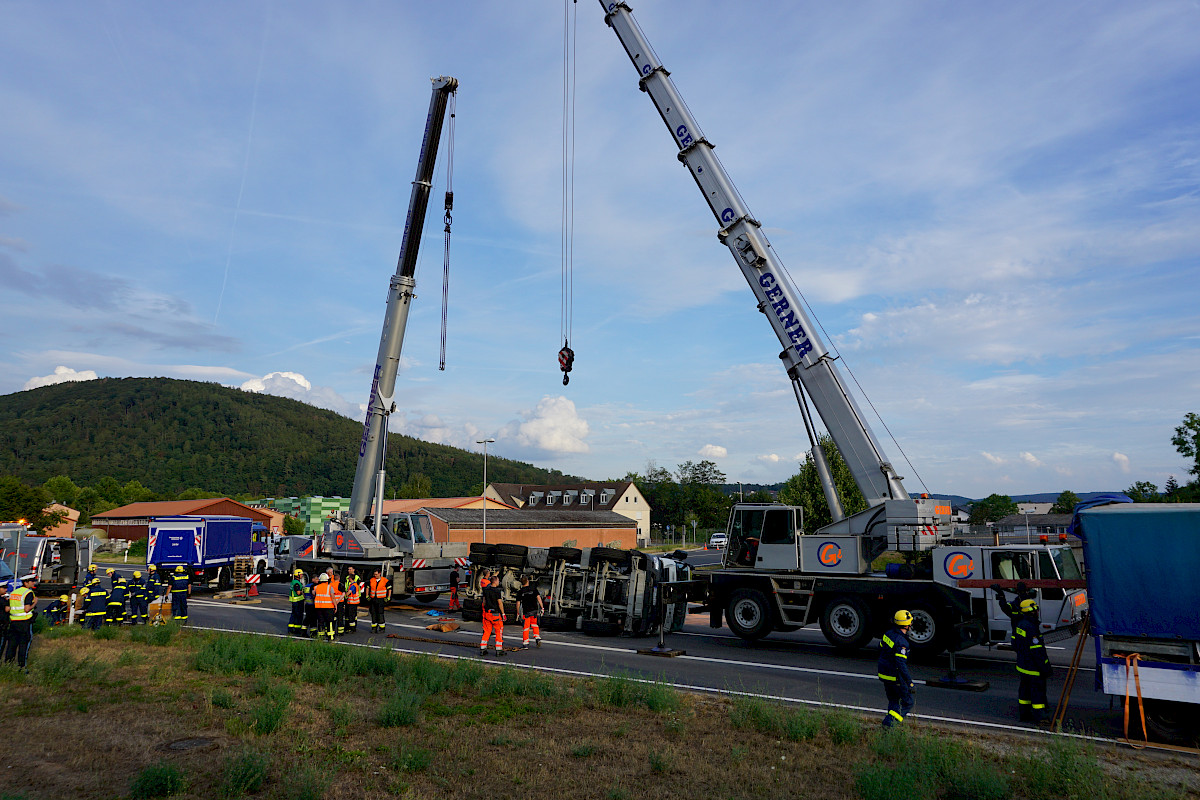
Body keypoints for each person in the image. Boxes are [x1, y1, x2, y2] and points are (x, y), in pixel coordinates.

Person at [1012, 598, 1053, 723]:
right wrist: (1046, 668)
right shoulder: (1031, 628)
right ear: (1033, 611)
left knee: (1024, 692)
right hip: (1034, 669)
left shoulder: (1019, 624)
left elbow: (1014, 643)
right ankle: (1041, 718)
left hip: (1023, 666)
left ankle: (1024, 715)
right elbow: (1038, 653)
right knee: (1038, 694)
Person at [878, 609, 917, 728]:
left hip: (884, 673)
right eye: (910, 622)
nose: (911, 624)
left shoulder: (888, 634)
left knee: (894, 701)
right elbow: (901, 664)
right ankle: (889, 725)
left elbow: (881, 648)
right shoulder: (902, 642)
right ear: (906, 625)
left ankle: (888, 726)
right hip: (894, 677)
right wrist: (909, 682)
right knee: (907, 702)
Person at [4, 574, 38, 670]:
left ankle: (8, 666)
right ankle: (22, 667)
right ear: (26, 582)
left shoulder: (14, 592)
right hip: (24, 622)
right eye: (32, 581)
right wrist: (34, 603)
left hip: (14, 622)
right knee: (23, 646)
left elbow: (8, 608)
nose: (34, 583)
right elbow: (27, 609)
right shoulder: (28, 593)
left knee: (12, 645)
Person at [480, 570, 506, 657]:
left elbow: (483, 602)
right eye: (498, 580)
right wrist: (503, 614)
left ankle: (483, 649)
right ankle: (499, 650)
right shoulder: (497, 591)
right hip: (495, 614)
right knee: (499, 631)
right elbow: (500, 603)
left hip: (487, 614)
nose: (499, 582)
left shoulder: (486, 590)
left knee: (487, 631)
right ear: (495, 582)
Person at [515, 575, 544, 649]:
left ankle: (525, 643)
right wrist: (542, 607)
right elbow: (539, 598)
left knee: (526, 627)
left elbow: (518, 603)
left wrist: (518, 612)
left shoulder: (520, 592)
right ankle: (537, 637)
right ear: (527, 581)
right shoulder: (533, 589)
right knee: (534, 625)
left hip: (526, 611)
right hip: (534, 610)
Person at [314, 574, 336, 640]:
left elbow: (314, 594)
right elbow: (333, 597)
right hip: (328, 607)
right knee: (329, 622)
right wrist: (335, 606)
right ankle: (330, 637)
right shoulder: (330, 587)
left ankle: (320, 636)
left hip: (319, 607)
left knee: (320, 622)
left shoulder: (316, 587)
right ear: (327, 580)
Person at [366, 568, 389, 633]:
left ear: (379, 574)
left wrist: (388, 597)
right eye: (374, 574)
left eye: (376, 574)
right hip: (373, 599)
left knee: (380, 614)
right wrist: (367, 595)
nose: (375, 575)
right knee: (373, 613)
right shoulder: (372, 580)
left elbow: (389, 589)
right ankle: (374, 628)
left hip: (381, 599)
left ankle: (382, 628)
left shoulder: (385, 580)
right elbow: (368, 588)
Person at [288, 569, 306, 636]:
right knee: (298, 616)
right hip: (298, 602)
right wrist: (303, 592)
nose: (301, 575)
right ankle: (297, 630)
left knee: (294, 615)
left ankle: (291, 629)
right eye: (301, 574)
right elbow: (298, 592)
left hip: (295, 601)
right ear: (298, 575)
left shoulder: (294, 582)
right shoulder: (297, 583)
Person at [344, 568, 361, 633]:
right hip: (353, 602)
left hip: (352, 602)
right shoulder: (354, 585)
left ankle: (352, 629)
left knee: (351, 616)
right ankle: (351, 628)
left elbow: (349, 593)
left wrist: (345, 595)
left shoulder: (353, 585)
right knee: (352, 615)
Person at [304, 573, 318, 637]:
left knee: (307, 618)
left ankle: (303, 631)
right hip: (312, 604)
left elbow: (304, 595)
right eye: (316, 579)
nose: (317, 580)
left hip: (307, 604)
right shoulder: (314, 586)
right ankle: (313, 633)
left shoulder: (306, 586)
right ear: (312, 579)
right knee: (313, 619)